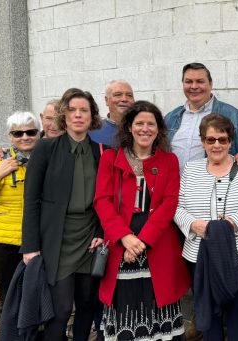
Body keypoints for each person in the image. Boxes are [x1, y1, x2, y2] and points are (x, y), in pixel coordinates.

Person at [94, 100, 191, 340]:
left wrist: (142, 241)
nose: (145, 129)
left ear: (159, 129)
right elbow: (102, 201)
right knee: (126, 308)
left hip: (158, 245)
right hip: (120, 244)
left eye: (151, 124)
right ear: (128, 127)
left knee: (159, 305)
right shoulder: (110, 158)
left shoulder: (169, 161)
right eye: (139, 123)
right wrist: (125, 238)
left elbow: (170, 203)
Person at [174, 113, 238, 340]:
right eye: (211, 139)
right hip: (200, 257)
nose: (217, 145)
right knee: (209, 318)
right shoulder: (191, 169)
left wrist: (233, 224)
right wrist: (193, 224)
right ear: (202, 141)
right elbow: (177, 206)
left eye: (223, 139)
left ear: (230, 141)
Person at [20, 88, 106, 341]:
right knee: (60, 310)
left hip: (90, 237)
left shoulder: (102, 152)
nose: (78, 115)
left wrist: (102, 232)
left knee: (88, 304)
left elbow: (109, 200)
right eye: (72, 110)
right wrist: (30, 246)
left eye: (84, 110)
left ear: (92, 116)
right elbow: (31, 200)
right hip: (57, 239)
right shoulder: (45, 149)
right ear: (63, 116)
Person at [0, 111, 40, 314]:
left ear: (38, 133)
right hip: (4, 243)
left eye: (30, 132)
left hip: (39, 241)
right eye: (18, 133)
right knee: (9, 300)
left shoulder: (47, 159)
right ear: (10, 136)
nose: (25, 137)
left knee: (39, 300)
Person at [165, 62, 238, 171]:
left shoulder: (233, 115)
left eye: (200, 81)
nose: (194, 86)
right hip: (176, 186)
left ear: (210, 84)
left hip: (216, 185)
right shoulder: (170, 118)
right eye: (188, 82)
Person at [0, 100, 62, 166]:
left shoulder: (72, 149)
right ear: (41, 118)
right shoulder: (7, 158)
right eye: (49, 118)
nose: (25, 137)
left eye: (60, 119)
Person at [89, 80, 135, 146]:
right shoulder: (92, 132)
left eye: (129, 95)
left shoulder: (143, 130)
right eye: (118, 95)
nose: (124, 99)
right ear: (107, 100)